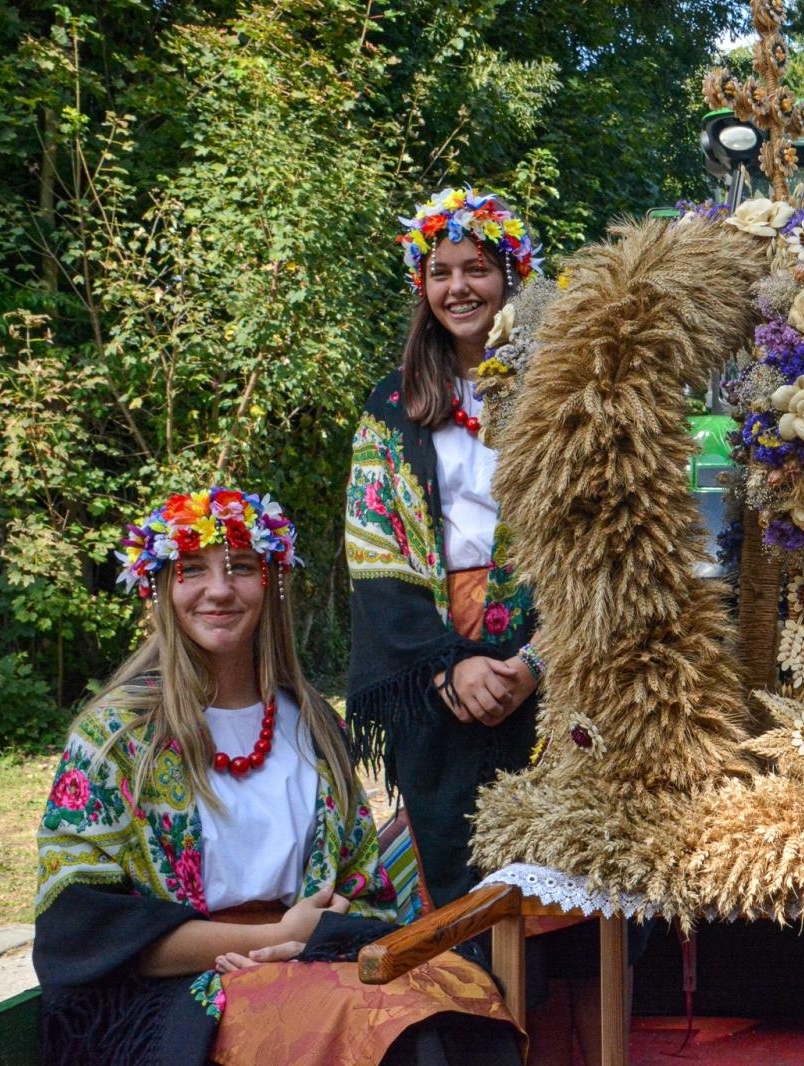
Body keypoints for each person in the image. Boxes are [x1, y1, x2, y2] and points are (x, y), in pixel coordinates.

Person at [33, 486, 523, 1065]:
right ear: (160, 588)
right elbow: (82, 930)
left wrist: (314, 937)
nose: (219, 589)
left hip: (317, 961)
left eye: (241, 567)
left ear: (271, 583)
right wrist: (276, 938)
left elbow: (367, 894)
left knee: (459, 996)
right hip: (180, 995)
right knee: (381, 1024)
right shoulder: (116, 737)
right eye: (193, 569)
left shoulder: (314, 728)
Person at [345, 184, 543, 910]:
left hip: (551, 641)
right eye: (440, 273)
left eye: (477, 269)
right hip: (435, 651)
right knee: (460, 867)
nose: (458, 287)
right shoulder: (394, 404)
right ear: (422, 287)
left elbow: (605, 542)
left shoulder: (568, 388)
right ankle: (475, 985)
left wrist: (535, 663)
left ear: (512, 276)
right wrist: (445, 669)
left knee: (567, 861)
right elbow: (376, 550)